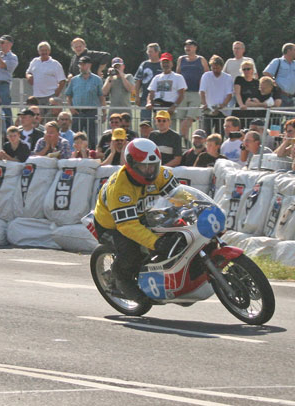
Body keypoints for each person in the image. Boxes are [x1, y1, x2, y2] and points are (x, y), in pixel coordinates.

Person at [93, 138, 179, 302]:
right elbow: (127, 226)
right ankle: (120, 278)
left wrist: (196, 206)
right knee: (131, 250)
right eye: (143, 167)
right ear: (131, 164)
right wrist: (155, 242)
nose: (149, 171)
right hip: (113, 225)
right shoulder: (120, 187)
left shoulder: (162, 174)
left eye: (152, 166)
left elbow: (180, 196)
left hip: (144, 216)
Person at [65, 56, 105, 149]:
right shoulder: (74, 80)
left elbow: (101, 97)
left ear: (89, 65)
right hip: (77, 112)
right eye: (80, 64)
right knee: (75, 135)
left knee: (92, 137)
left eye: (84, 64)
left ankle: (91, 154)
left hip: (92, 112)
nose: (82, 66)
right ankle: (74, 154)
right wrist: (71, 108)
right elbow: (68, 95)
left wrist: (104, 112)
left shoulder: (97, 79)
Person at [176, 39, 209, 141]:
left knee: (190, 117)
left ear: (195, 47)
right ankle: (185, 142)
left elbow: (207, 75)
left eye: (190, 46)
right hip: (183, 93)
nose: (187, 48)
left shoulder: (201, 59)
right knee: (182, 118)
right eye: (186, 46)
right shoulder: (181, 59)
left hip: (196, 92)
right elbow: (178, 74)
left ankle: (179, 137)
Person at [199, 55, 233, 135]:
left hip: (222, 112)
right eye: (213, 68)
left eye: (217, 68)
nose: (215, 70)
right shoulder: (206, 76)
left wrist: (223, 104)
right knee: (206, 134)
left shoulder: (228, 77)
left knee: (220, 134)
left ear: (221, 67)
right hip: (208, 111)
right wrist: (204, 103)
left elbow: (229, 94)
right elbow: (202, 91)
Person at [134, 43, 162, 122]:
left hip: (160, 99)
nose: (148, 53)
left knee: (159, 121)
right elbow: (138, 81)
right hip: (145, 98)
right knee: (145, 122)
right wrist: (136, 96)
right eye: (148, 51)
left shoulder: (162, 65)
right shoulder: (144, 64)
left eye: (151, 52)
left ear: (157, 52)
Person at [263, 43, 295, 107]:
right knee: (278, 116)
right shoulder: (277, 61)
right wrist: (276, 87)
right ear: (289, 51)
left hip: (292, 97)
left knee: (292, 117)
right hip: (279, 96)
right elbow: (266, 73)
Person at [233, 60, 260, 126]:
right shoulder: (239, 79)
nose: (246, 71)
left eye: (248, 69)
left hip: (252, 110)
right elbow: (237, 93)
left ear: (252, 70)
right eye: (244, 69)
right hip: (240, 110)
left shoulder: (256, 82)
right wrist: (241, 105)